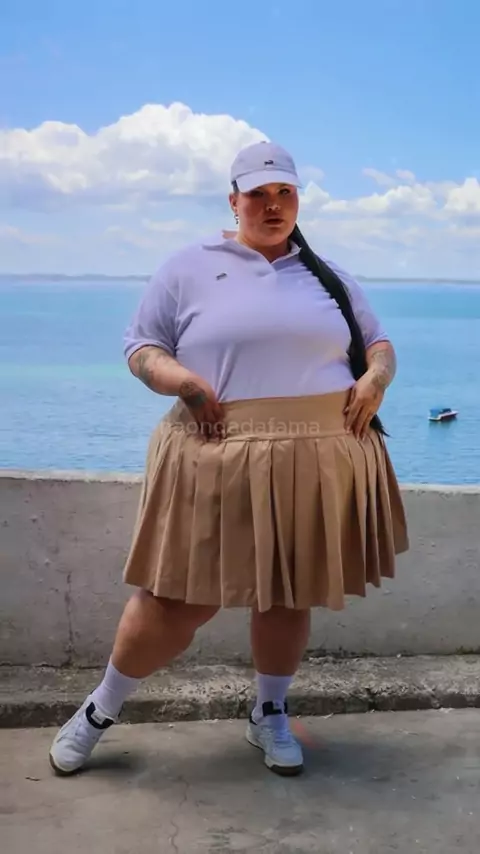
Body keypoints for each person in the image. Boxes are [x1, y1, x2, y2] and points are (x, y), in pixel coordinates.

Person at [49, 140, 408, 778]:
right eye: (259, 195)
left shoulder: (328, 275)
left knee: (288, 596)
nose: (273, 206)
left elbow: (377, 342)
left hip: (316, 460)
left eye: (285, 193)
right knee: (175, 601)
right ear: (233, 200)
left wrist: (376, 378)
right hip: (216, 455)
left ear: (298, 199)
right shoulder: (188, 267)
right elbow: (141, 347)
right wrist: (184, 383)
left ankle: (269, 713)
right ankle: (100, 709)